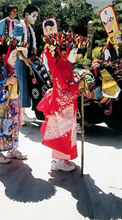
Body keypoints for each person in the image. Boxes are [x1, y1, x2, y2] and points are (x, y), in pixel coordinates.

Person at [37, 32, 89, 171]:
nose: (76, 54)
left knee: (66, 133)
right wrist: (77, 86)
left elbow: (70, 82)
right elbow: (62, 94)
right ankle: (57, 160)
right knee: (60, 133)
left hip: (66, 107)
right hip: (61, 106)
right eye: (74, 51)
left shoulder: (67, 64)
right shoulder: (59, 67)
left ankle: (62, 159)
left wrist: (79, 80)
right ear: (63, 51)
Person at [0, 36, 28, 164]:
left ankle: (12, 149)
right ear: (4, 55)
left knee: (13, 127)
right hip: (0, 106)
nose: (16, 58)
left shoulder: (8, 68)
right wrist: (6, 81)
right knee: (0, 127)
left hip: (11, 104)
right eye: (14, 55)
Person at [13, 4, 39, 125]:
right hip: (19, 61)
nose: (35, 18)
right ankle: (19, 115)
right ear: (27, 15)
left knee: (25, 87)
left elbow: (31, 45)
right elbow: (16, 46)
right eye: (34, 15)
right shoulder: (19, 26)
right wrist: (25, 59)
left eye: (37, 16)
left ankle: (22, 114)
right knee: (20, 87)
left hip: (26, 62)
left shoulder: (29, 29)